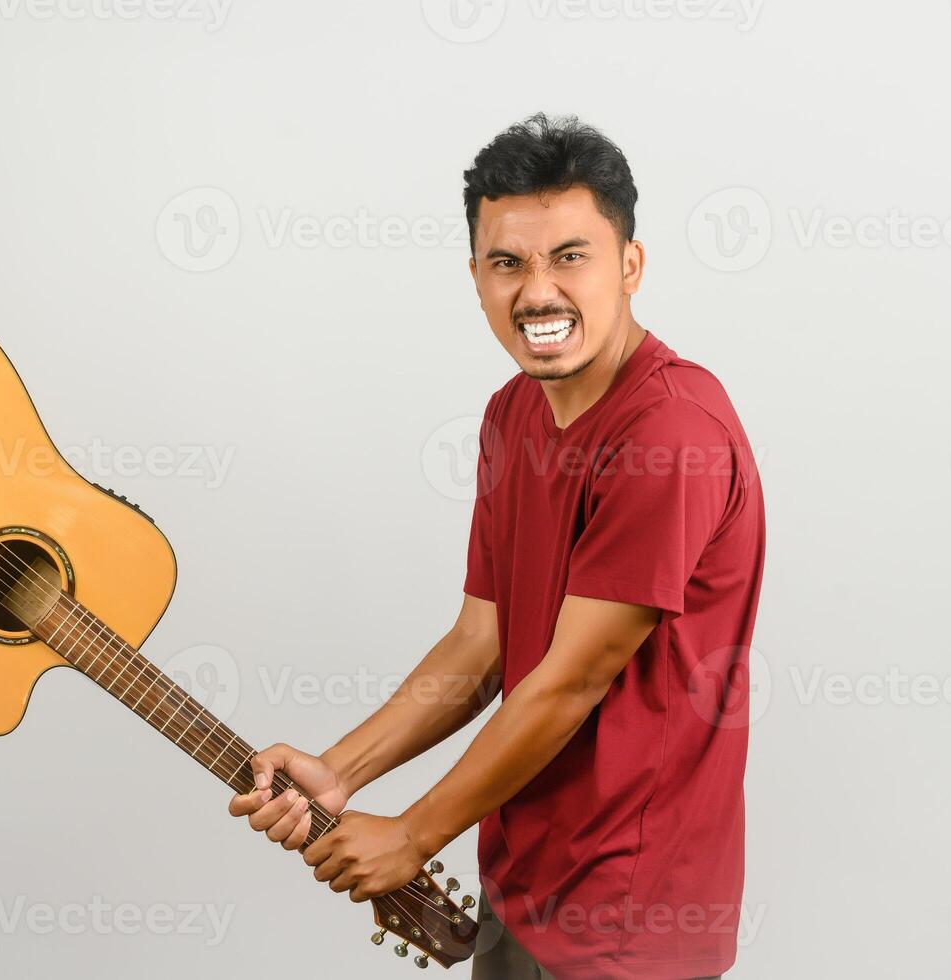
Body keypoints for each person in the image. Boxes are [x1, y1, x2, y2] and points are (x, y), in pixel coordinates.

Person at [227, 113, 765, 980]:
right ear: (475, 274)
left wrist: (411, 833)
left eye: (570, 257)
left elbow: (568, 679)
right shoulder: (512, 414)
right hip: (520, 875)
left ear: (630, 266)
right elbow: (483, 644)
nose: (537, 292)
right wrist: (340, 772)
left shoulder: (671, 434)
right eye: (507, 262)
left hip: (632, 914)